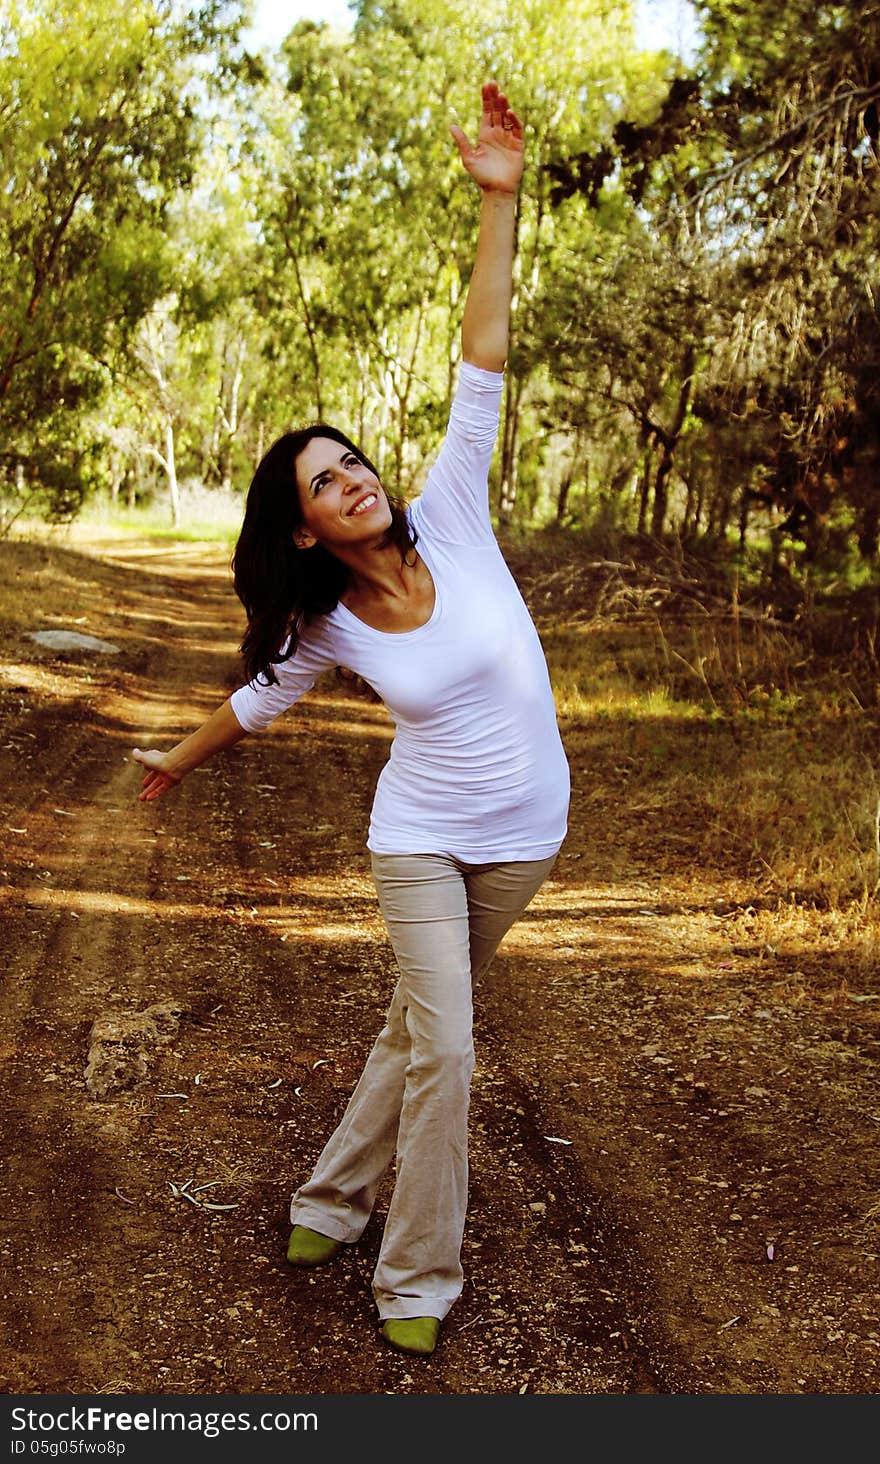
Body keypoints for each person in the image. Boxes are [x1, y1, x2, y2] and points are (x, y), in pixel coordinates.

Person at [132, 80, 570, 1359]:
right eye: (324, 481)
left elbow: (478, 358)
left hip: (528, 837)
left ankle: (327, 1196)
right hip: (421, 841)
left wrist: (501, 202)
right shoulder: (323, 624)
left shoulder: (458, 512)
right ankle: (414, 1278)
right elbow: (253, 701)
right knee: (451, 1052)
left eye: (351, 460)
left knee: (414, 1031)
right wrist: (174, 756)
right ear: (304, 527)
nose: (353, 479)